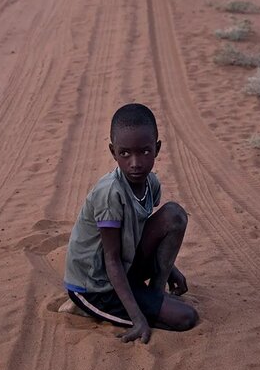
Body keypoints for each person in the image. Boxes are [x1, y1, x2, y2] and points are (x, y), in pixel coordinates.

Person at [62, 103, 199, 343]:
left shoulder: (150, 183)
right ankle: (89, 308)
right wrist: (137, 318)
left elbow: (142, 230)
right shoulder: (110, 194)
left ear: (156, 149)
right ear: (113, 152)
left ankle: (155, 295)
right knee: (186, 318)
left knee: (174, 214)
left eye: (144, 151)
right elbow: (111, 259)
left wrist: (169, 269)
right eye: (125, 153)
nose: (135, 162)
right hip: (96, 286)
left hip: (123, 268)